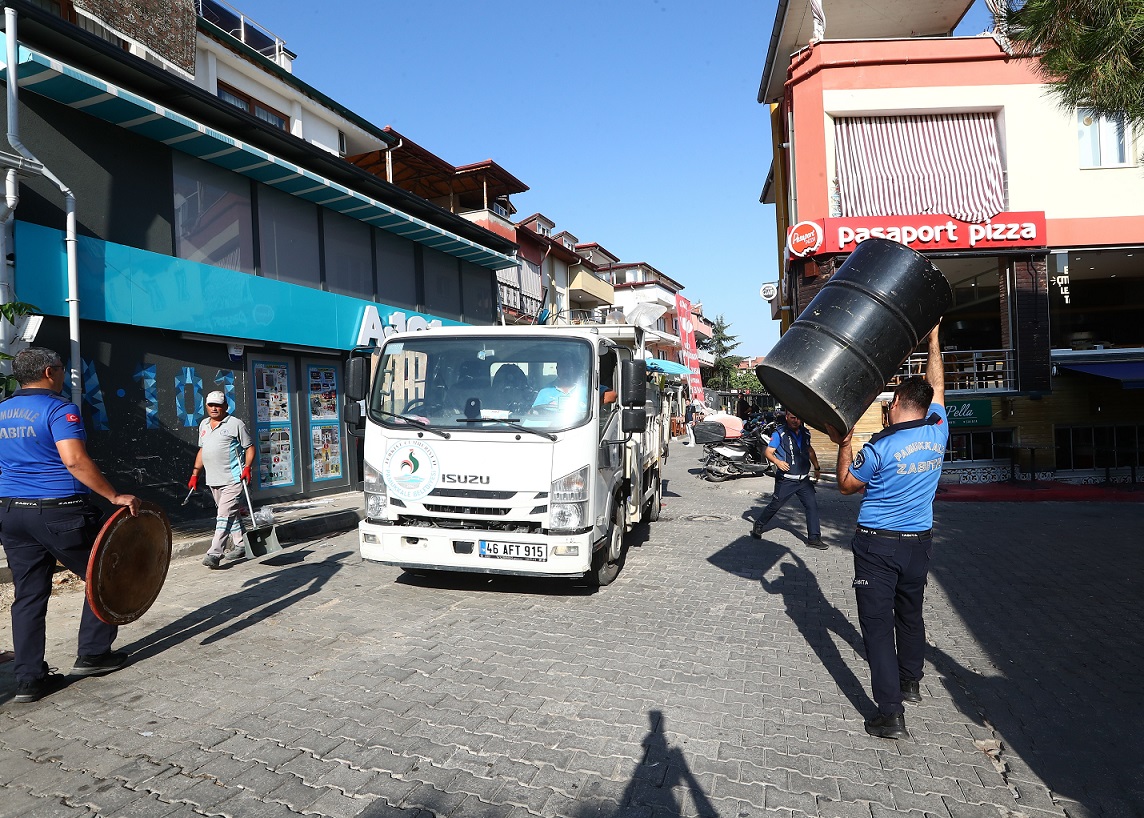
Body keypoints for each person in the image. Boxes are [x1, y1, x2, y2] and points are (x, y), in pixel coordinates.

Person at [826, 323, 948, 740]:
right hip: (919, 546)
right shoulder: (938, 429)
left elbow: (846, 486)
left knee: (878, 628)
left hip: (878, 548)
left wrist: (844, 444)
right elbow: (937, 386)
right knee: (910, 614)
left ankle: (890, 714)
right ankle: (911, 682)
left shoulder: (879, 448)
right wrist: (933, 340)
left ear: (895, 403)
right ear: (926, 406)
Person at [0, 347, 140, 703]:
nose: (64, 374)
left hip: (12, 513)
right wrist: (113, 496)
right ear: (50, 372)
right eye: (62, 368)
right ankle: (93, 654)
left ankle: (28, 679)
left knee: (28, 594)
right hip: (60, 511)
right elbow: (75, 460)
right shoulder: (59, 409)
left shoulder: (1, 411)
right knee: (107, 574)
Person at [189, 390, 255, 569]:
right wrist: (195, 474)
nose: (214, 408)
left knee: (223, 515)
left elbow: (249, 447)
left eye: (218, 405)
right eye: (211, 405)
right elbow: (202, 451)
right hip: (213, 480)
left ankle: (215, 553)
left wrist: (247, 468)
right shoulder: (203, 424)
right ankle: (241, 544)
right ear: (206, 406)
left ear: (226, 406)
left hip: (233, 479)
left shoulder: (236, 424)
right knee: (230, 514)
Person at [750, 409, 823, 547]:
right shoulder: (779, 433)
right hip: (787, 479)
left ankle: (814, 539)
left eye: (798, 418)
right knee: (775, 505)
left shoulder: (805, 433)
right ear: (787, 417)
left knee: (812, 506)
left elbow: (809, 450)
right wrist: (777, 462)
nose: (796, 421)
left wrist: (817, 467)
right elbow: (768, 452)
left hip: (803, 480)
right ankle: (759, 524)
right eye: (793, 417)